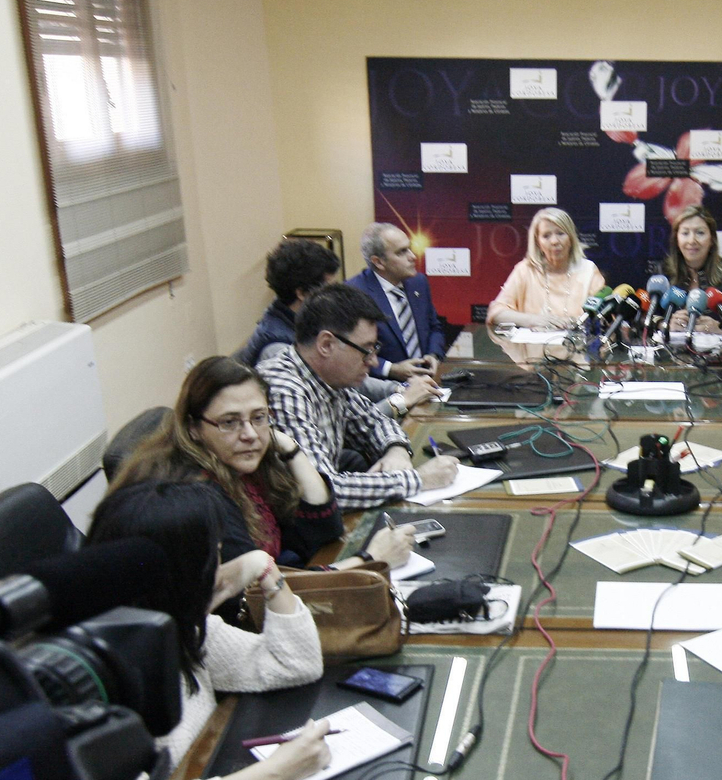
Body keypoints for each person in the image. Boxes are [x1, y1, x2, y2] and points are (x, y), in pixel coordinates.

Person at [85, 482, 332, 780]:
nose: (220, 568)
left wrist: (262, 568)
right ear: (180, 571)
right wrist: (276, 773)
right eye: (214, 556)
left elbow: (293, 664)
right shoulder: (98, 676)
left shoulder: (179, 625)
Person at [107, 355, 414, 570]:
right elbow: (265, 595)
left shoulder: (245, 467)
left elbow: (324, 529)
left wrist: (291, 449)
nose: (250, 434)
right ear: (193, 429)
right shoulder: (197, 497)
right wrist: (370, 558)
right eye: (229, 422)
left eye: (259, 417)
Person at [260, 283, 459, 510]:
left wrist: (396, 449)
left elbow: (374, 421)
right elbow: (323, 491)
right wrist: (419, 479)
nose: (373, 361)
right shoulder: (284, 390)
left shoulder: (330, 377)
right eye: (366, 350)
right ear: (326, 344)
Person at [237, 237, 437, 419]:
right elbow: (346, 423)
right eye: (328, 286)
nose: (335, 293)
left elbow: (350, 389)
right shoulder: (277, 352)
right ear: (301, 293)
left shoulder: (303, 322)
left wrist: (399, 389)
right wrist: (402, 398)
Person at [348, 222, 449, 368]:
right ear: (379, 262)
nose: (413, 257)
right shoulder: (354, 293)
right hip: (383, 385)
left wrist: (433, 354)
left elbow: (434, 327)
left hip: (426, 379)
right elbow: (353, 351)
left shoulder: (418, 282)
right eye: (401, 252)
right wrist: (391, 369)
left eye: (409, 249)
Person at [486, 207, 606, 329]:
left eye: (560, 233)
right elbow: (496, 313)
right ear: (538, 242)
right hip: (532, 346)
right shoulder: (525, 270)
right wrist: (532, 320)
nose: (554, 241)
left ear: (571, 238)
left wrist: (574, 323)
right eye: (546, 236)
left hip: (575, 345)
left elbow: (604, 318)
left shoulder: (588, 270)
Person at [659, 205, 722, 329]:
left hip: (719, 347)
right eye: (685, 233)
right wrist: (665, 324)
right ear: (677, 240)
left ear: (712, 240)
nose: (692, 240)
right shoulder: (663, 271)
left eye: (700, 233)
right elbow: (645, 319)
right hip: (672, 347)